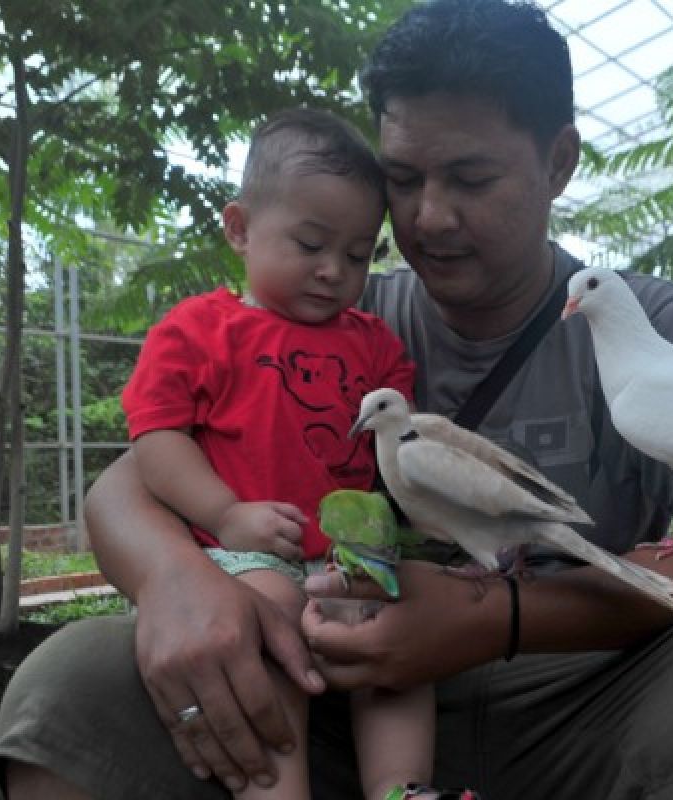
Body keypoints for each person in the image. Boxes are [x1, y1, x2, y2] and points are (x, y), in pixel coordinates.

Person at [0, 2, 673, 798]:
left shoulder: (655, 323)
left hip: (590, 706)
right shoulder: (333, 317)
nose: (427, 217)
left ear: (557, 161)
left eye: (470, 179)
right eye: (403, 179)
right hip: (332, 713)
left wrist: (493, 622)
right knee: (69, 682)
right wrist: (174, 580)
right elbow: (131, 481)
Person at [103, 107, 450, 800]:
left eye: (357, 256)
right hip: (252, 556)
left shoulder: (376, 342)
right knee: (268, 640)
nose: (332, 271)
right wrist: (227, 514)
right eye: (310, 244)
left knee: (397, 656)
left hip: (354, 552)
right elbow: (157, 439)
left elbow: (399, 440)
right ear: (239, 228)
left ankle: (402, 789)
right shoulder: (200, 330)